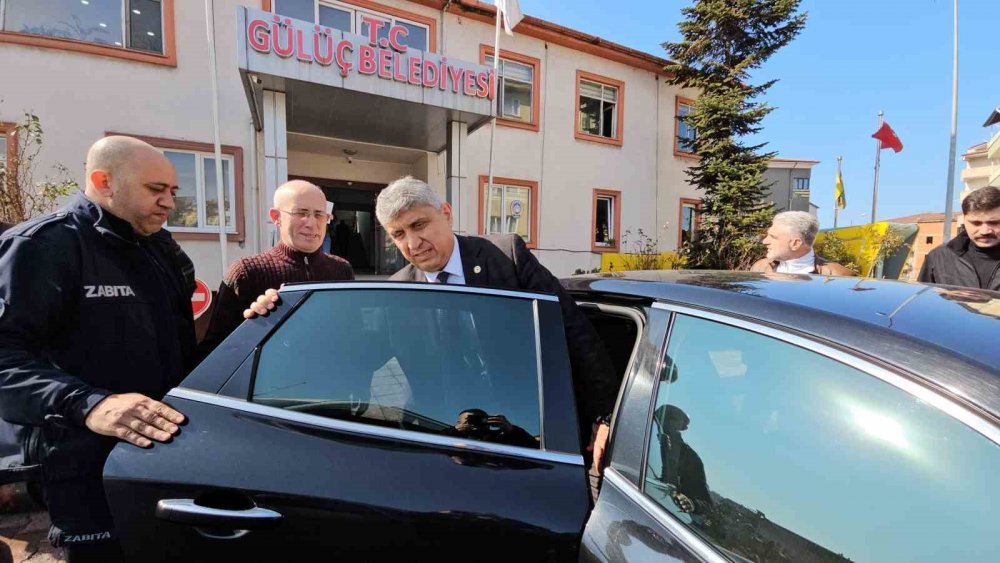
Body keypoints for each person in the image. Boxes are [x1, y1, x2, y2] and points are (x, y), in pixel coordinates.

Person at [245, 177, 618, 477]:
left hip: (537, 432)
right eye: (398, 234)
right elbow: (349, 357)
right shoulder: (399, 292)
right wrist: (275, 316)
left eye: (419, 225)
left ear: (446, 213)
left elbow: (575, 333)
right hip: (451, 441)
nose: (412, 243)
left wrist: (603, 417)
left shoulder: (505, 256)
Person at [0, 136, 194, 561]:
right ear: (104, 181)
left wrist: (258, 316)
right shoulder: (42, 246)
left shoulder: (162, 249)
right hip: (85, 465)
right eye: (155, 189)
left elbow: (183, 347)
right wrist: (90, 404)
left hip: (162, 453)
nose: (169, 203)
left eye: (172, 191)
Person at [201, 180, 354, 349]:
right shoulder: (246, 273)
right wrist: (253, 324)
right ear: (276, 217)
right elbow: (215, 349)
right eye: (301, 213)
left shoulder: (342, 270)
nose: (311, 224)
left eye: (319, 214)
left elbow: (353, 332)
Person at [918, 186, 1000, 291]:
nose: (984, 231)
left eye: (994, 223)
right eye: (976, 223)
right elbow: (923, 298)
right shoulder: (939, 257)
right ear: (964, 220)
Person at [751, 211, 854, 275]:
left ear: (796, 243)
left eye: (773, 237)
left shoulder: (838, 276)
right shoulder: (760, 268)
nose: (765, 241)